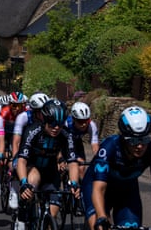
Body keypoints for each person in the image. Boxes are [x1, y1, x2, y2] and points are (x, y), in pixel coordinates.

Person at [82, 106, 151, 230]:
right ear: (124, 138)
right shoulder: (110, 147)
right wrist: (102, 217)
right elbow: (99, 189)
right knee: (98, 226)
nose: (140, 146)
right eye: (133, 140)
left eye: (145, 139)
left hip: (127, 191)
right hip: (97, 186)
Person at [15, 99, 80, 230]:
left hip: (51, 173)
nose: (56, 128)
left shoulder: (66, 135)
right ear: (44, 120)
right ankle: (23, 213)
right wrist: (23, 183)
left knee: (51, 217)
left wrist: (74, 183)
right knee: (33, 179)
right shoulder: (33, 131)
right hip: (32, 167)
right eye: (52, 123)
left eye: (60, 124)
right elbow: (21, 161)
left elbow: (72, 162)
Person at [8, 92, 50, 210]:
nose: (44, 113)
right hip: (24, 147)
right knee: (14, 165)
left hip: (40, 149)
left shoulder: (49, 118)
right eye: (41, 110)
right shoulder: (24, 117)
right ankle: (14, 188)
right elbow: (16, 141)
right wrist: (16, 158)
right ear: (35, 111)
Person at [65, 101, 99, 179]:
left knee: (81, 168)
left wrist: (98, 159)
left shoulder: (91, 125)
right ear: (74, 119)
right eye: (80, 121)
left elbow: (95, 146)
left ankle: (80, 188)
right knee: (61, 169)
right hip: (64, 144)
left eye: (86, 121)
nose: (84, 124)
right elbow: (61, 144)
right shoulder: (66, 124)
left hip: (77, 143)